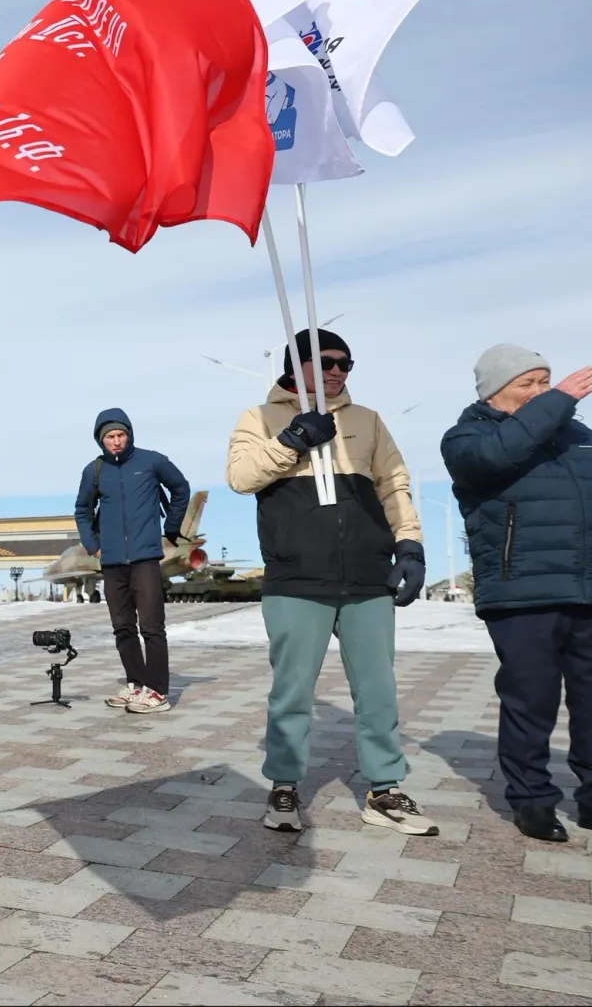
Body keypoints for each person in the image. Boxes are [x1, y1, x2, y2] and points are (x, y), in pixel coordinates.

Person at [228, 329, 433, 836]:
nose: (340, 370)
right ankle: (283, 786)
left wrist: (409, 544)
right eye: (328, 362)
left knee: (378, 689)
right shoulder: (259, 418)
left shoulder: (368, 421)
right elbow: (241, 476)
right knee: (292, 692)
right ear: (296, 366)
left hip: (367, 577)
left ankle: (385, 789)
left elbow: (393, 483)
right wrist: (292, 440)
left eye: (346, 362)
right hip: (296, 576)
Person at [442, 347, 592, 842]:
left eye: (546, 381)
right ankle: (532, 800)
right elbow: (495, 458)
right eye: (528, 383)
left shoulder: (579, 437)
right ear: (494, 390)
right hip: (522, 592)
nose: (541, 392)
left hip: (588, 591)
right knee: (531, 701)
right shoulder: (469, 436)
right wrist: (557, 401)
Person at [73, 409, 190, 714]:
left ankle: (158, 692)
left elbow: (180, 488)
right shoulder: (94, 471)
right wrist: (92, 545)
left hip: (145, 558)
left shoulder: (152, 461)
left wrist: (173, 527)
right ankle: (136, 683)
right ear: (101, 439)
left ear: (130, 434)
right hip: (111, 562)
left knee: (152, 627)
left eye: (121, 435)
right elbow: (82, 511)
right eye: (110, 437)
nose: (116, 442)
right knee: (122, 627)